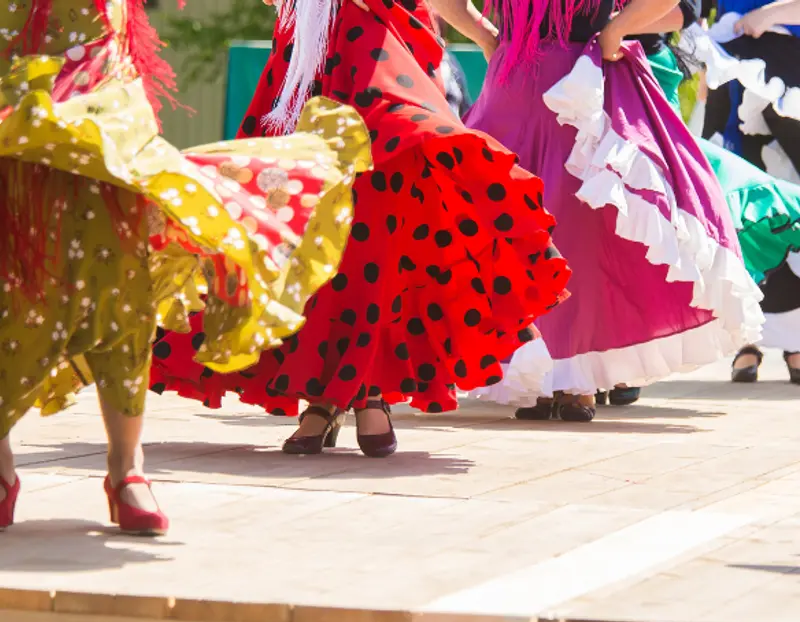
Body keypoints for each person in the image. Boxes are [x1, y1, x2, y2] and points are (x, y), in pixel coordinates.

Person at [0, 0, 371, 533]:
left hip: (101, 102)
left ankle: (127, 470)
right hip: (13, 99)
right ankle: (3, 467)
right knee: (15, 295)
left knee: (121, 288)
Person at [149, 0, 573, 457]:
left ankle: (363, 391)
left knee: (374, 229)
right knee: (303, 226)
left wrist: (488, 35)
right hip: (307, 61)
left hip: (382, 54)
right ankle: (327, 396)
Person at [465, 0, 764, 421]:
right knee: (577, 231)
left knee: (513, 227)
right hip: (578, 80)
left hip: (516, 79)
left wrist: (486, 36)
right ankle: (570, 382)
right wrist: (615, 30)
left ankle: (546, 377)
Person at [638, 1, 800, 384]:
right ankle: (748, 339)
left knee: (786, 200)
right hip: (730, 75)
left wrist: (772, 13)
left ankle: (796, 341)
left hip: (788, 78)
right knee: (737, 210)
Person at [693, 0, 800, 179]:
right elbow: (701, 10)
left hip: (785, 80)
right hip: (730, 67)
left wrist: (768, 15)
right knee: (718, 172)